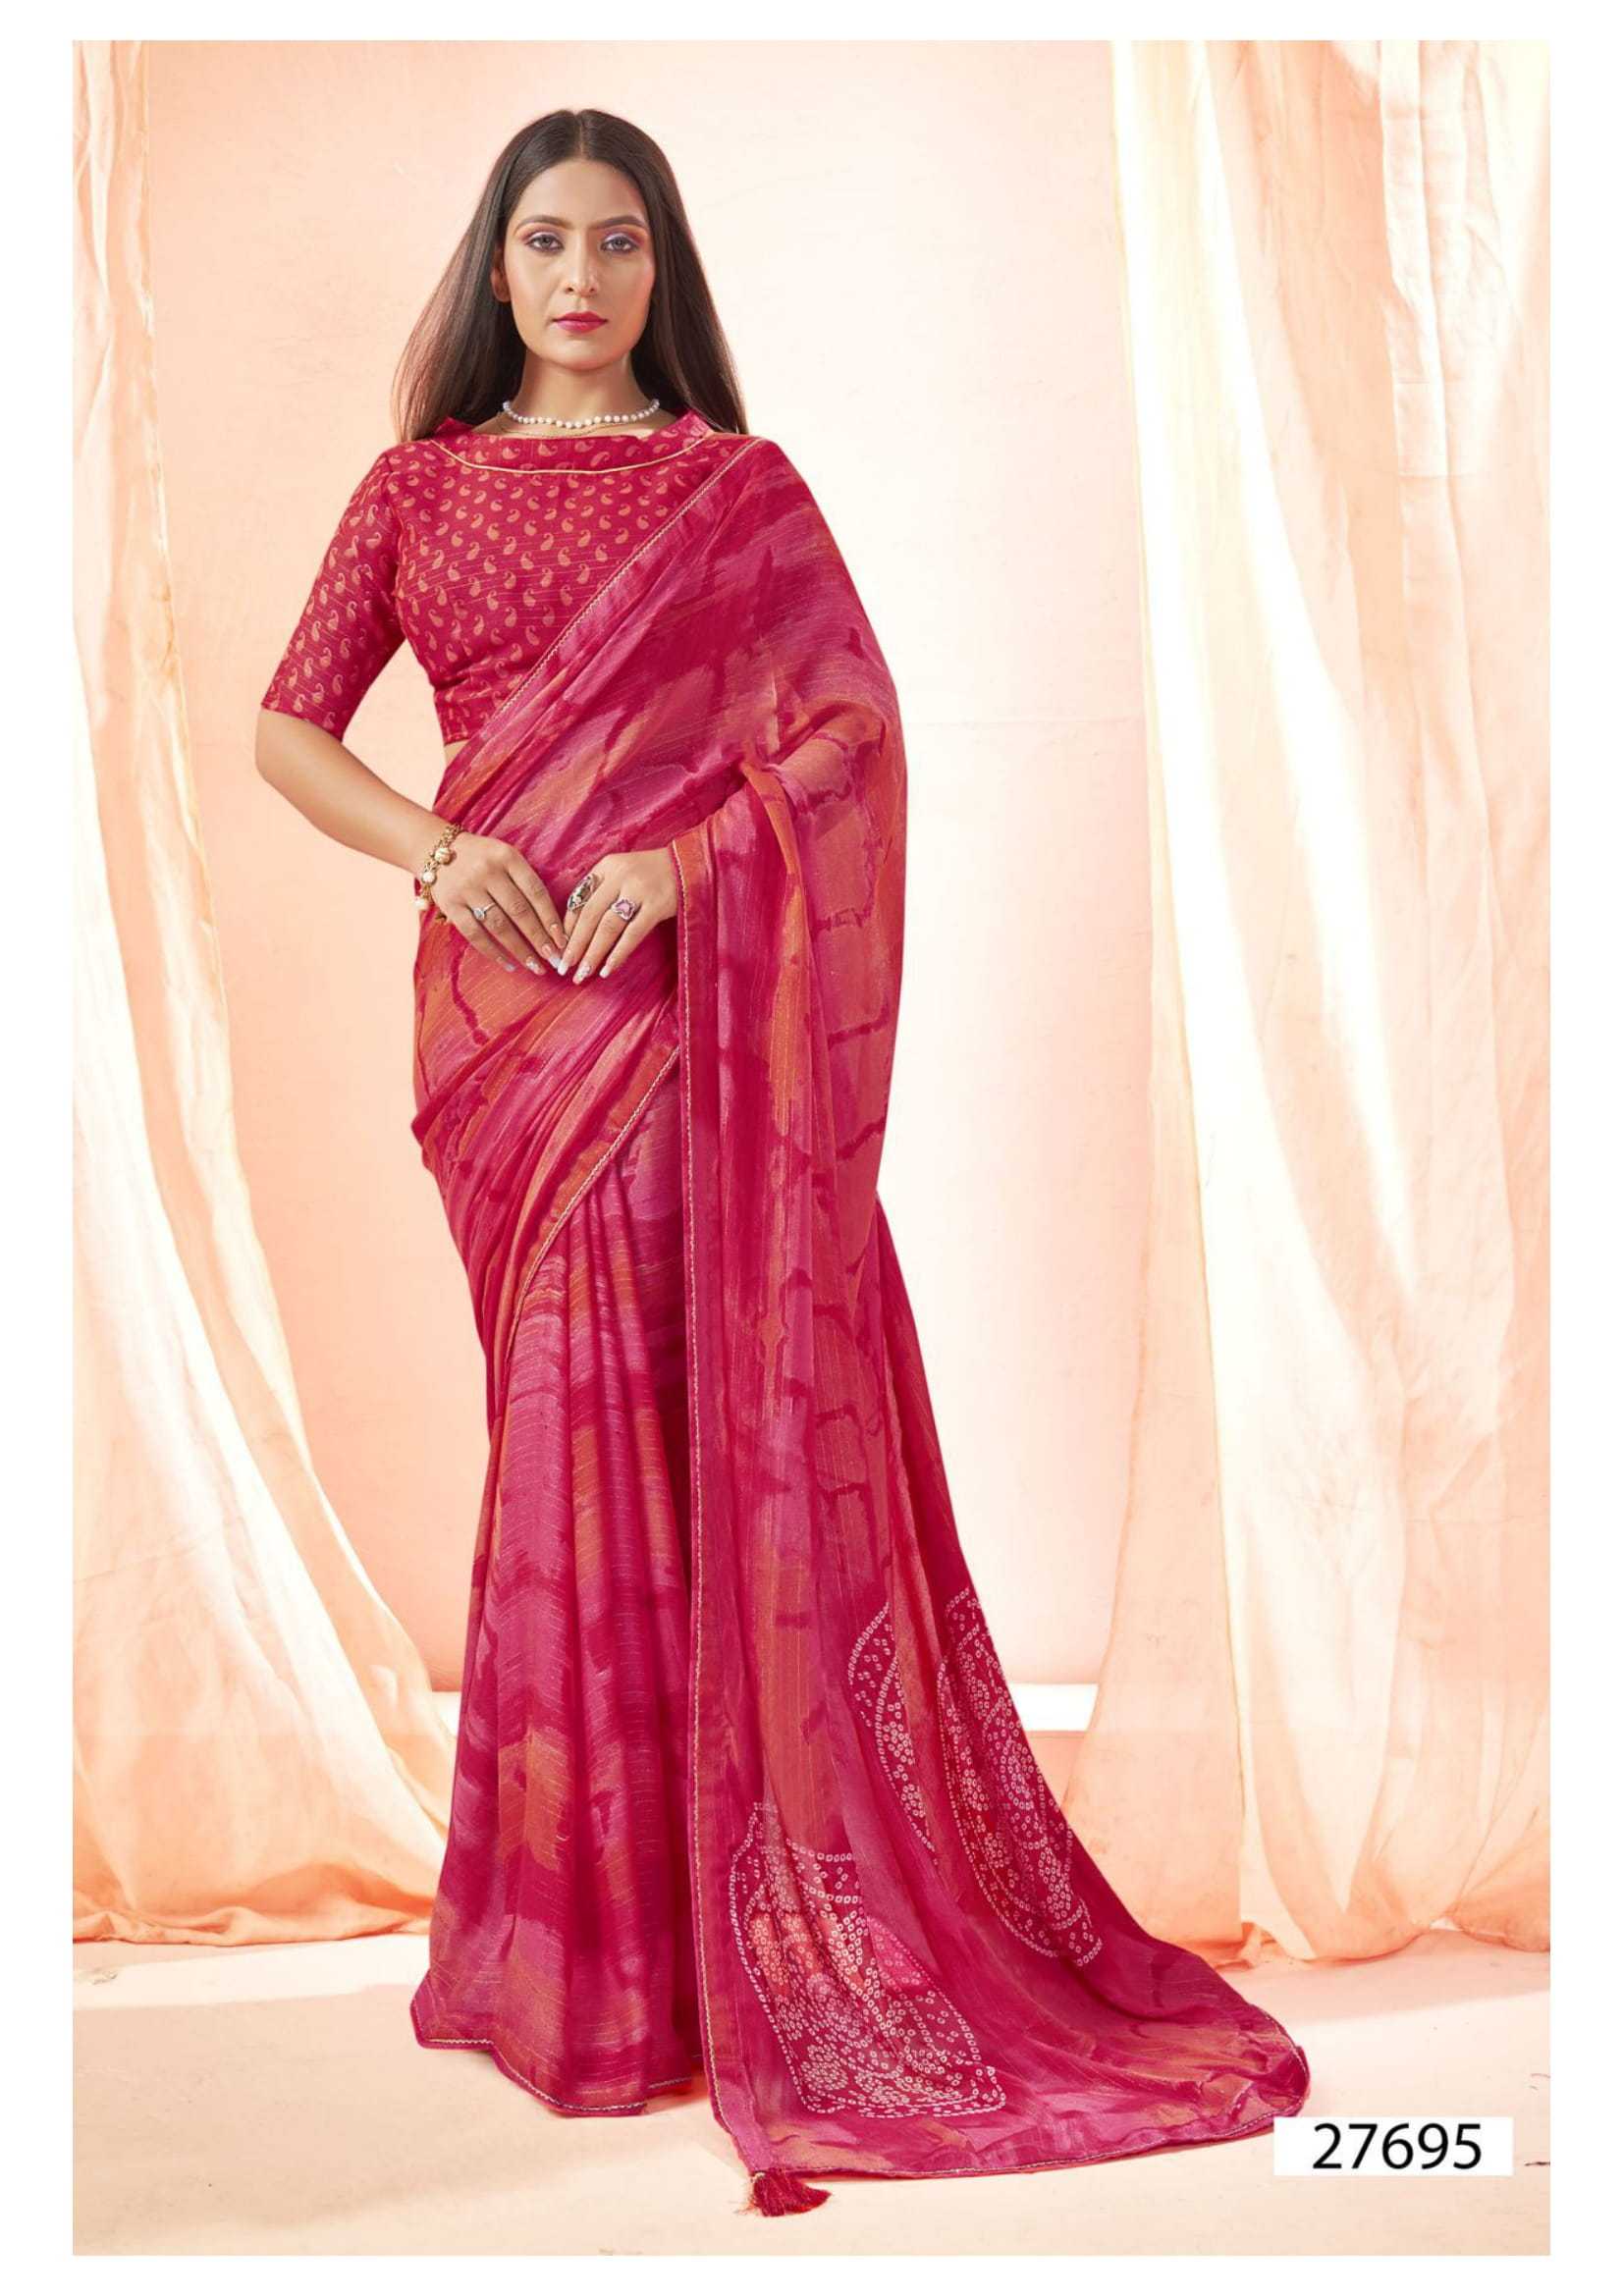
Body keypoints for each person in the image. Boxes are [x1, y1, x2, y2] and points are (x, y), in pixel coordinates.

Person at [256, 106, 1310, 2219]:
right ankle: (588, 1952)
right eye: (545, 241)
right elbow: (289, 727)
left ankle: (719, 1939)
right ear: (493, 265)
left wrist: (679, 869)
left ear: (662, 270)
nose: (579, 278)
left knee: (687, 1426)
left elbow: (847, 735)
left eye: (618, 243)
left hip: (679, 1016)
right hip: (506, 1031)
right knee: (560, 1443)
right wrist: (441, 853)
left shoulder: (735, 493)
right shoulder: (412, 490)